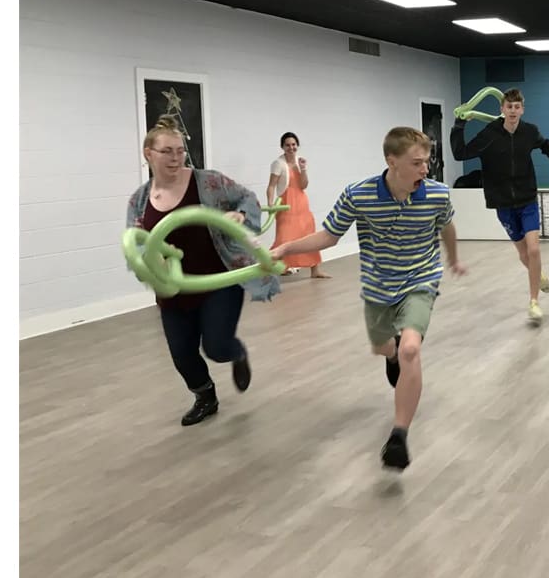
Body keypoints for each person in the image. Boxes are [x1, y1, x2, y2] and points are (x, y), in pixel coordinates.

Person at [269, 127, 465, 472]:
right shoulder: (359, 195)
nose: (425, 169)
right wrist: (285, 247)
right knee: (384, 348)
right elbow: (329, 236)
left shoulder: (437, 194)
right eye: (417, 163)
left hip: (421, 279)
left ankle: (399, 436)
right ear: (392, 162)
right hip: (378, 286)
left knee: (410, 349)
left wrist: (452, 258)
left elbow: (446, 226)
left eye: (426, 162)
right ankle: (391, 356)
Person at [126, 116, 281, 426]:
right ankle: (205, 395)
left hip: (218, 281)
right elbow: (136, 243)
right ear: (148, 154)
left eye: (180, 151)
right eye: (167, 151)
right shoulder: (140, 200)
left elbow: (247, 198)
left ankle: (236, 353)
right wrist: (146, 265)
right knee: (182, 355)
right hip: (174, 289)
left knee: (217, 347)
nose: (175, 157)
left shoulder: (208, 182)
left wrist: (238, 214)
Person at [448, 87, 549, 326]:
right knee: (523, 254)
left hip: (527, 199)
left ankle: (534, 302)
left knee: (534, 250)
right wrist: (458, 125)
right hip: (502, 202)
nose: (513, 111)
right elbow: (460, 153)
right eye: (508, 107)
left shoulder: (529, 131)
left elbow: (546, 144)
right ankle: (538, 274)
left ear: (522, 109)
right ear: (501, 109)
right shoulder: (489, 134)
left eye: (517, 107)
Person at [266, 131, 328, 279]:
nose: (291, 147)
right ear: (282, 147)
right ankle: (269, 267)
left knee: (309, 237)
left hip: (301, 203)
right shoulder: (278, 164)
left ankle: (315, 270)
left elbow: (304, 185)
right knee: (284, 238)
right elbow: (271, 186)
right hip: (286, 204)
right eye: (287, 145)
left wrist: (304, 169)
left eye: (293, 144)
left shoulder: (301, 161)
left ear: (297, 146)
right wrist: (270, 204)